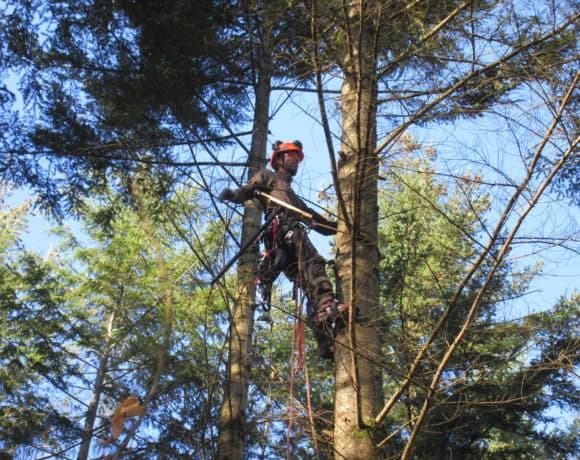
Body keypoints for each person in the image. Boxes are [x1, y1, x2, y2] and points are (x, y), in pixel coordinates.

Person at [219, 140, 343, 359]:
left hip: (286, 247)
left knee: (309, 283)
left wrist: (339, 227)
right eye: (292, 156)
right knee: (314, 264)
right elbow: (249, 190)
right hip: (284, 231)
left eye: (297, 157)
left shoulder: (292, 196)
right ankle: (326, 307)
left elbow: (314, 219)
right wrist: (234, 195)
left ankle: (324, 337)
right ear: (279, 159)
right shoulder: (268, 177)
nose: (296, 160)